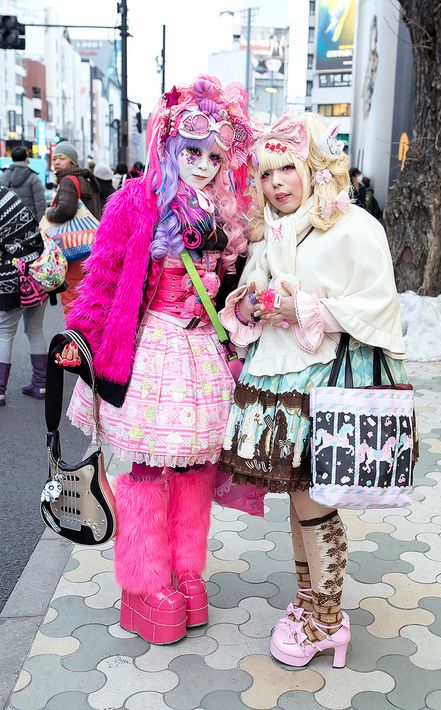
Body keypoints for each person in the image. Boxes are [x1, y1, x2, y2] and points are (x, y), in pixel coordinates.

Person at [58, 75, 252, 644]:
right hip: (149, 351)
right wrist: (80, 343)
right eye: (192, 151)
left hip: (201, 353)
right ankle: (144, 581)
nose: (201, 164)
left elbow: (229, 291)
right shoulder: (134, 202)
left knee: (195, 467)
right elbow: (103, 281)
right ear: (168, 144)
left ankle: (185, 569)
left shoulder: (223, 216)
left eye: (213, 155)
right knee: (147, 468)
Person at [219, 110, 407, 668]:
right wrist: (252, 305)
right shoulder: (269, 236)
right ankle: (310, 603)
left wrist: (305, 307)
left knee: (315, 497)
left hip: (328, 383)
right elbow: (249, 303)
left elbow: (380, 306)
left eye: (287, 169)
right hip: (278, 384)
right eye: (266, 173)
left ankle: (327, 617)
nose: (277, 183)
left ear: (312, 168)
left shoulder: (351, 225)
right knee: (300, 497)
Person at [0, 186, 49, 405]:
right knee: (35, 328)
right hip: (39, 271)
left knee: (4, 332)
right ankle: (41, 384)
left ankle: (0, 389)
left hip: (12, 277)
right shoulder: (8, 195)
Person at [45, 141, 101, 316]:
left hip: (74, 248)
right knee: (87, 295)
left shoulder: (68, 180)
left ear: (72, 161)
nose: (56, 162)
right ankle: (87, 336)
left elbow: (66, 210)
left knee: (71, 295)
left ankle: (74, 339)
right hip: (91, 244)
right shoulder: (85, 178)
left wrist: (49, 213)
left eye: (61, 158)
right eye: (54, 158)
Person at [0, 146, 46, 221]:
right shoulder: (33, 177)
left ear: (12, 158)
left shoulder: (3, 176)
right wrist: (41, 223)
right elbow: (40, 204)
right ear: (26, 158)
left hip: (8, 221)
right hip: (29, 221)